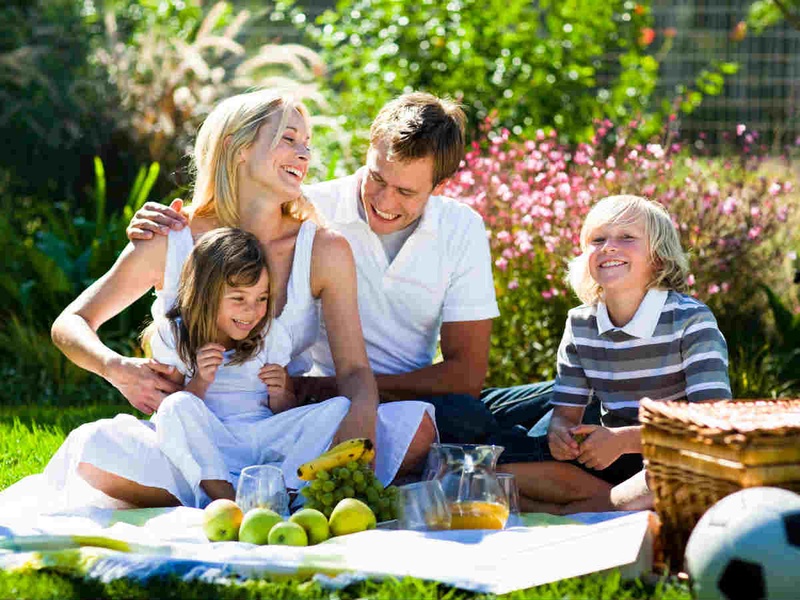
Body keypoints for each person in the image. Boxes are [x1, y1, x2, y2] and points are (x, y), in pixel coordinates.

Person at [49, 89, 435, 508]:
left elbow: (356, 371)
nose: (304, 154)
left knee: (415, 429)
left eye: (306, 144)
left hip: (277, 434)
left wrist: (360, 428)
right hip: (190, 437)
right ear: (238, 147)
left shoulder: (323, 248)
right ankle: (266, 495)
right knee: (93, 447)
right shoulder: (171, 238)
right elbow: (71, 322)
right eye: (289, 139)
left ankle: (240, 495)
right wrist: (117, 368)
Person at [127, 91, 552, 457]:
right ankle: (533, 460)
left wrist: (335, 388)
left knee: (560, 398)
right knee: (474, 424)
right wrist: (156, 227)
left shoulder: (460, 227)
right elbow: (228, 226)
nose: (384, 201)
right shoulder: (306, 209)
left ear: (438, 186)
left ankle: (553, 448)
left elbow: (465, 376)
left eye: (406, 192)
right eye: (377, 178)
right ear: (368, 152)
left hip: (388, 394)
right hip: (322, 404)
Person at [500, 195, 733, 513]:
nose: (609, 247)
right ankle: (607, 504)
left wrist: (622, 441)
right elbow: (565, 415)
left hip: (673, 452)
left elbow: (711, 421)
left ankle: (587, 506)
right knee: (503, 465)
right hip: (608, 456)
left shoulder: (691, 320)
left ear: (659, 258)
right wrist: (560, 436)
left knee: (678, 472)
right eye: (598, 239)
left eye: (627, 237)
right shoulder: (580, 323)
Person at [146, 227, 358, 506]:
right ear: (206, 295)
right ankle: (229, 498)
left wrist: (281, 394)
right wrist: (200, 381)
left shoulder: (269, 335)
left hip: (262, 436)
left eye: (261, 298)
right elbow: (176, 416)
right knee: (175, 406)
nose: (252, 311)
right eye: (238, 299)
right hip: (214, 441)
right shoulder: (175, 335)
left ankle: (285, 491)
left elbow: (284, 412)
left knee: (339, 408)